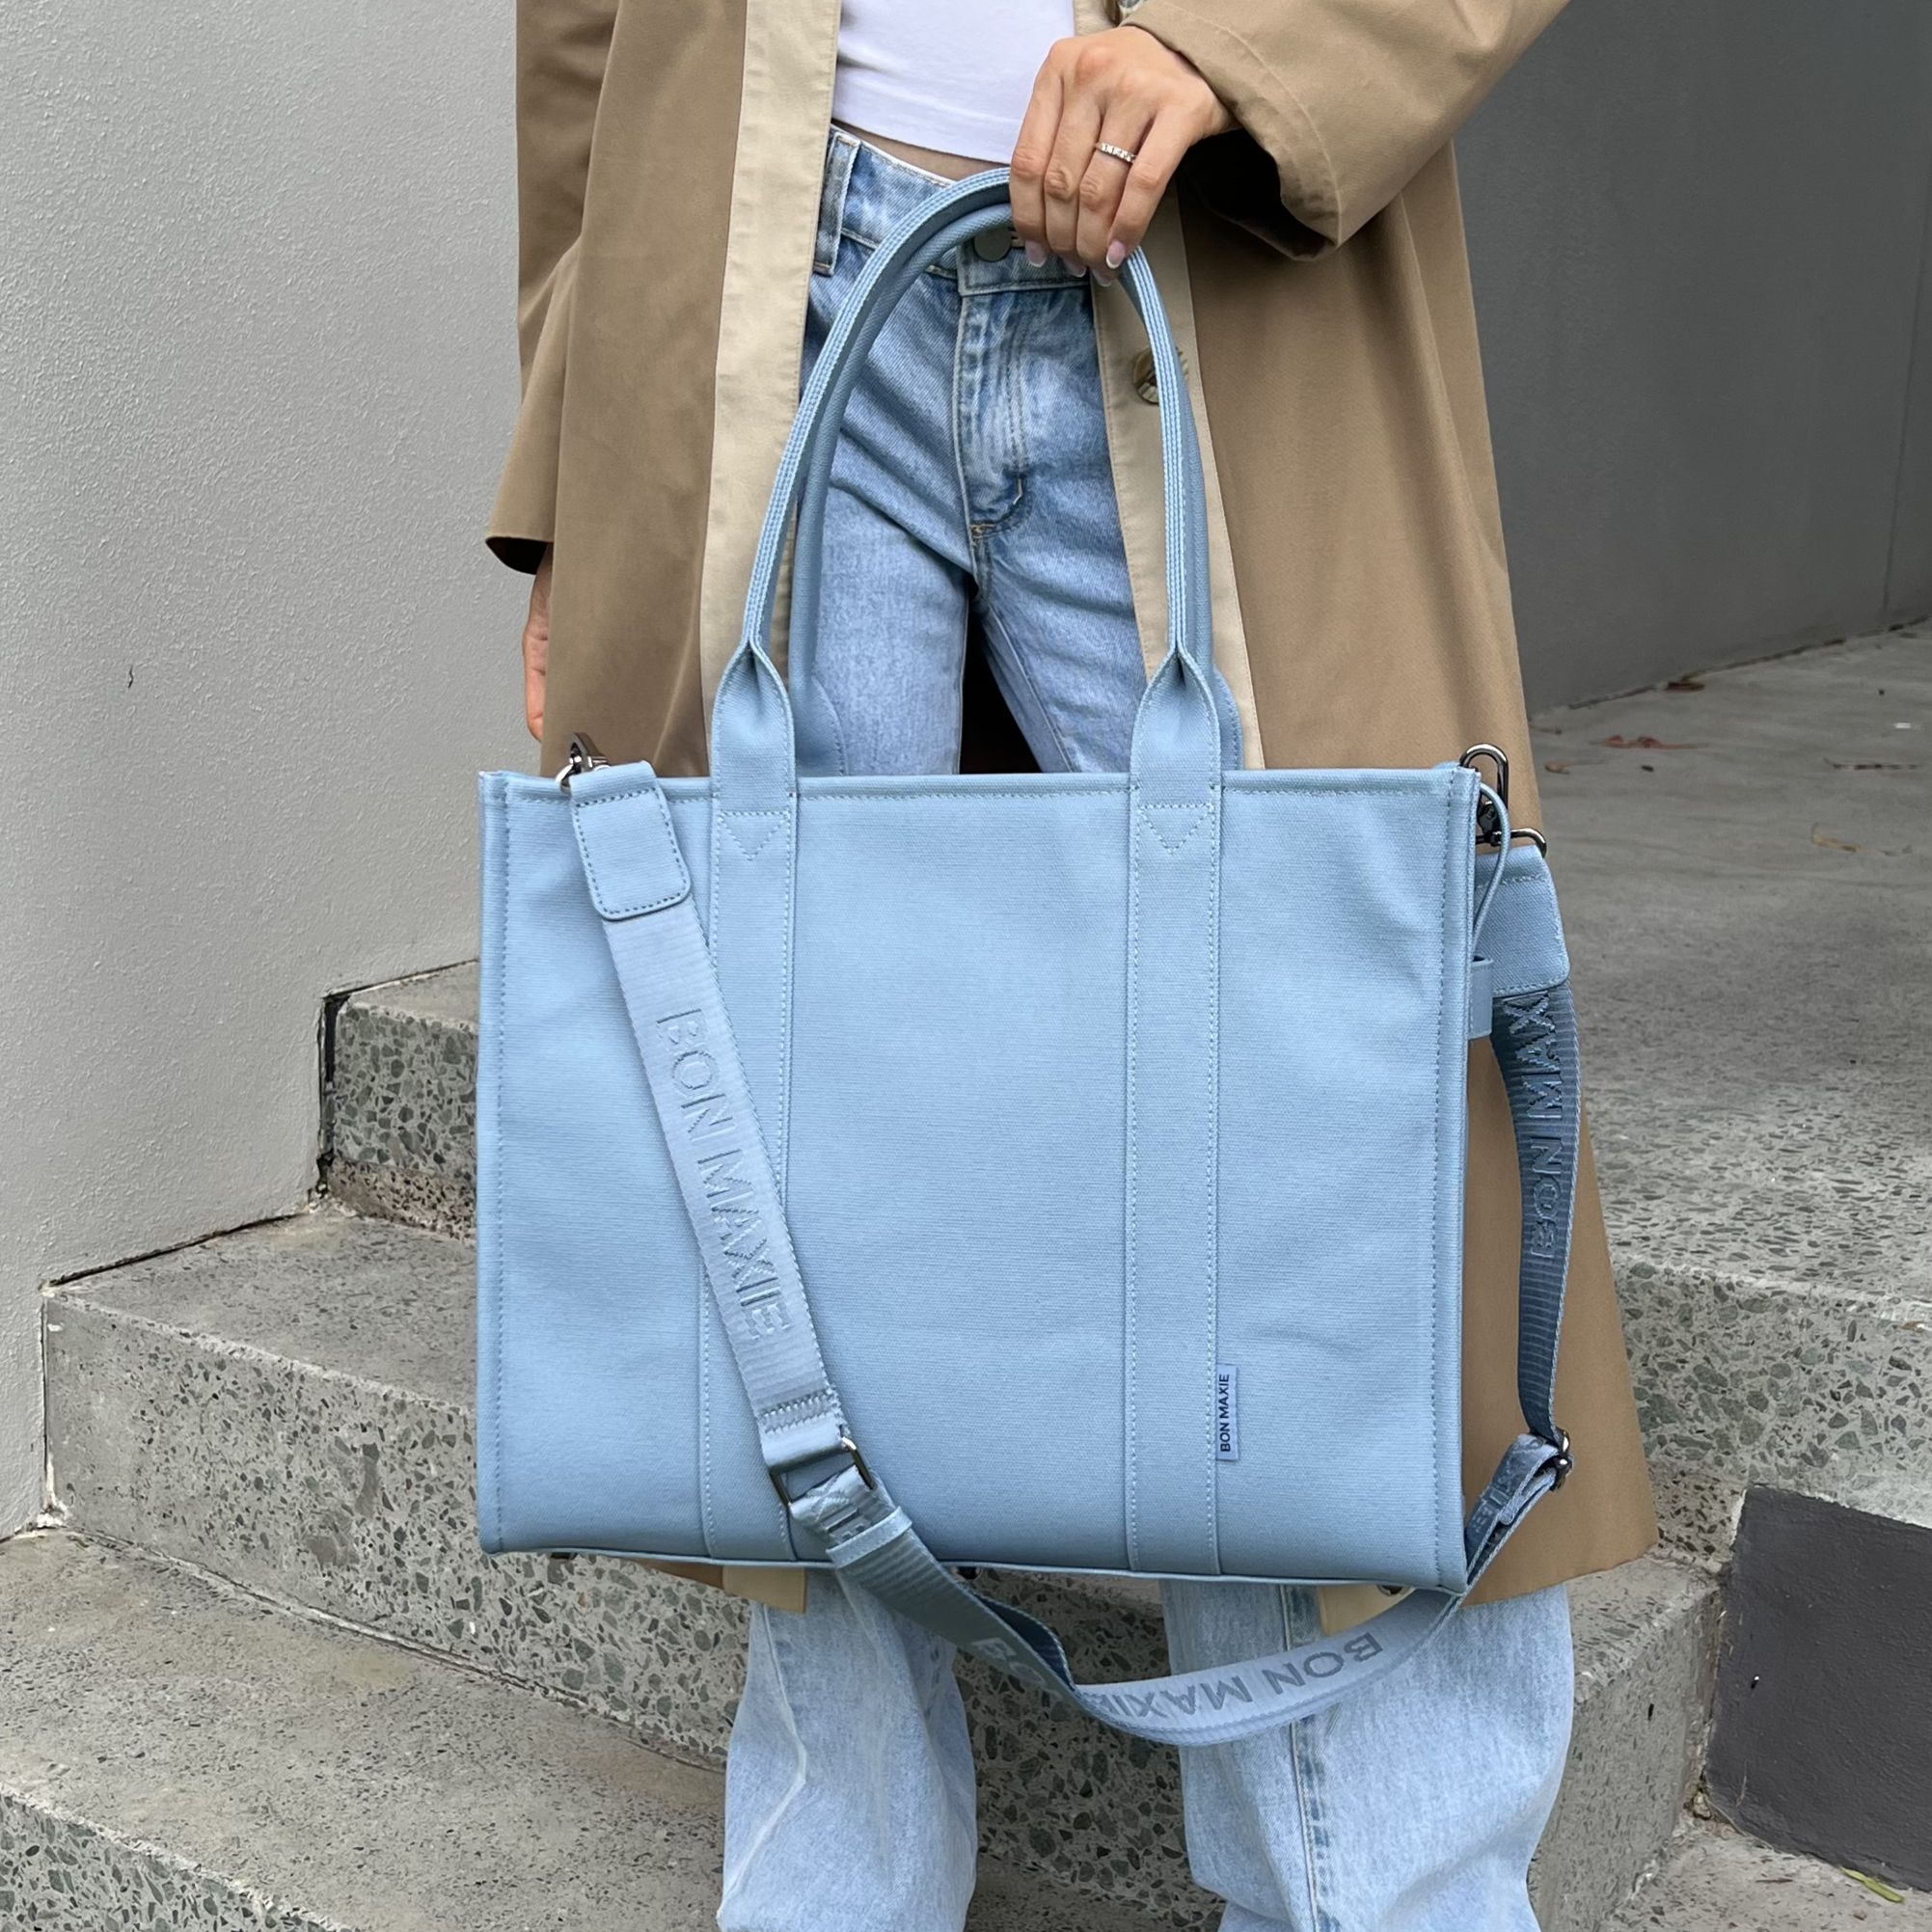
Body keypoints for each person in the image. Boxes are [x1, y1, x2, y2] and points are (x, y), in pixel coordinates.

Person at [495, 4, 1659, 1927]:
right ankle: (827, 1884)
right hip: (756, 282)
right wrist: (569, 449)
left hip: (1206, 260)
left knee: (1311, 1130)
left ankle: (1397, 1891)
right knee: (785, 1163)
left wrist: (1249, 38)